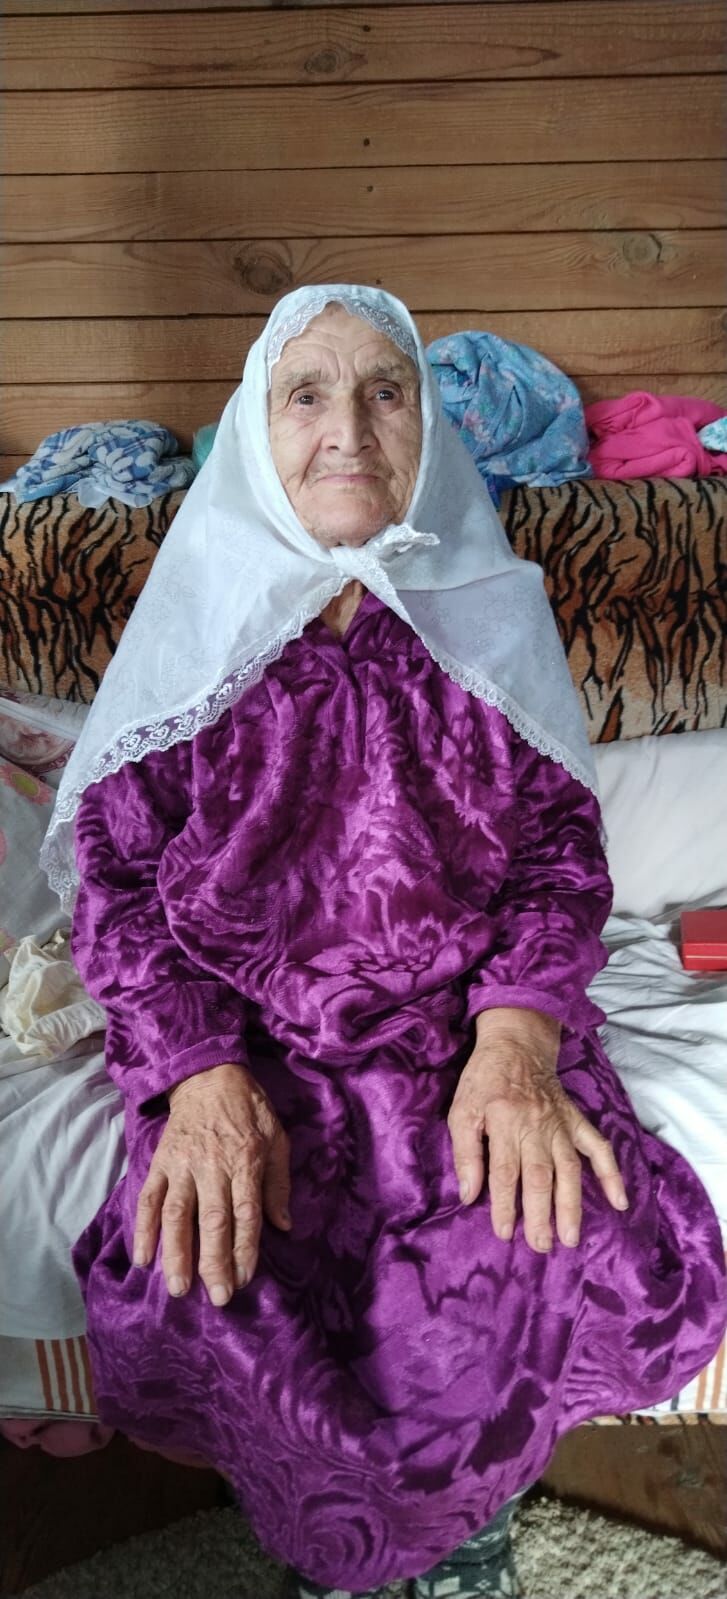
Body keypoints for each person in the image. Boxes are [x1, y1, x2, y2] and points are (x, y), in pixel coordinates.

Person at [41, 285, 725, 1599]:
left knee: (536, 1227)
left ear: (427, 429)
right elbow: (117, 886)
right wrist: (195, 1076)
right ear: (258, 434)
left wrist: (516, 1047)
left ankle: (468, 1536)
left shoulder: (487, 614)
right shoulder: (200, 628)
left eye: (385, 392)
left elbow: (558, 858)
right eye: (306, 394)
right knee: (231, 1255)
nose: (347, 430)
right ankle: (338, 1557)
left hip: (466, 1023)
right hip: (249, 1034)